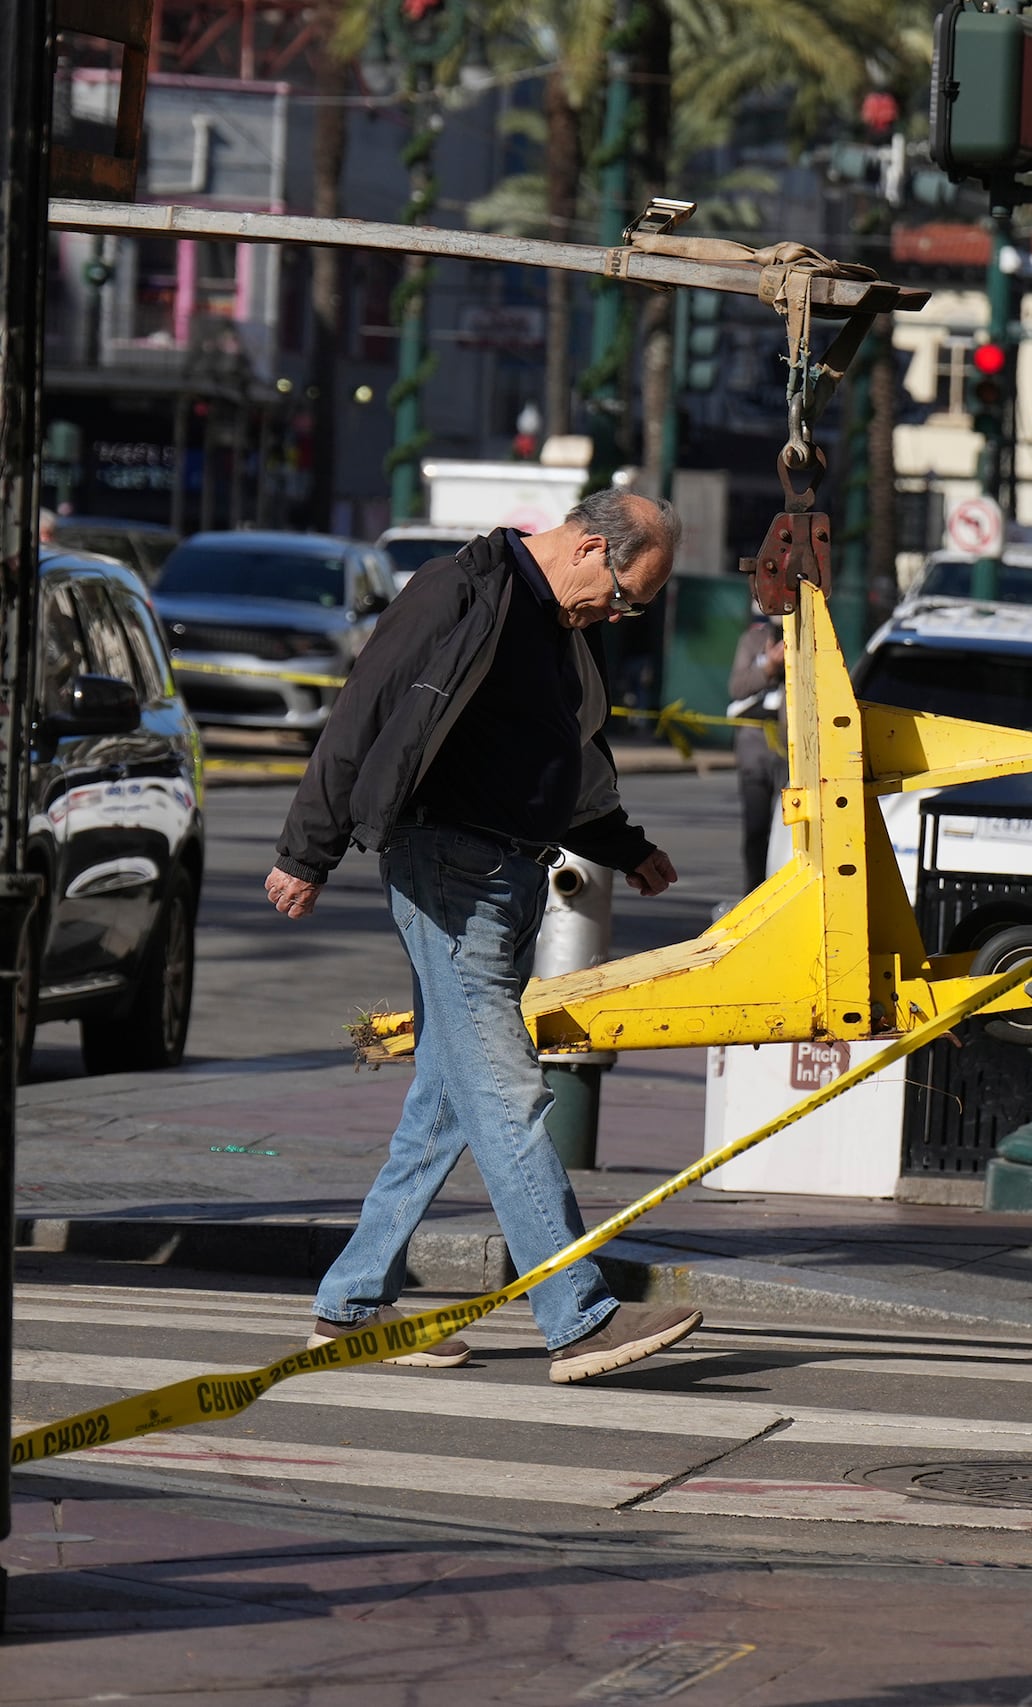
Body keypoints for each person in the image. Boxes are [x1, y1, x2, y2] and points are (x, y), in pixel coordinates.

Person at [265, 490, 706, 1384]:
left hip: (510, 877)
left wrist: (627, 847)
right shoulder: (460, 591)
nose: (620, 615)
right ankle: (576, 1315)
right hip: (446, 870)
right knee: (509, 1094)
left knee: (445, 1099)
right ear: (589, 547)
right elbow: (362, 709)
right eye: (625, 595)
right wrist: (305, 851)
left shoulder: (561, 637)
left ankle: (350, 1304)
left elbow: (569, 760)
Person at [729, 616, 788, 888]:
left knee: (789, 832)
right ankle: (753, 891)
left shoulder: (817, 638)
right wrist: (769, 666)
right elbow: (738, 687)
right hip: (755, 750)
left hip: (794, 751)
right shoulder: (751, 640)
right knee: (756, 830)